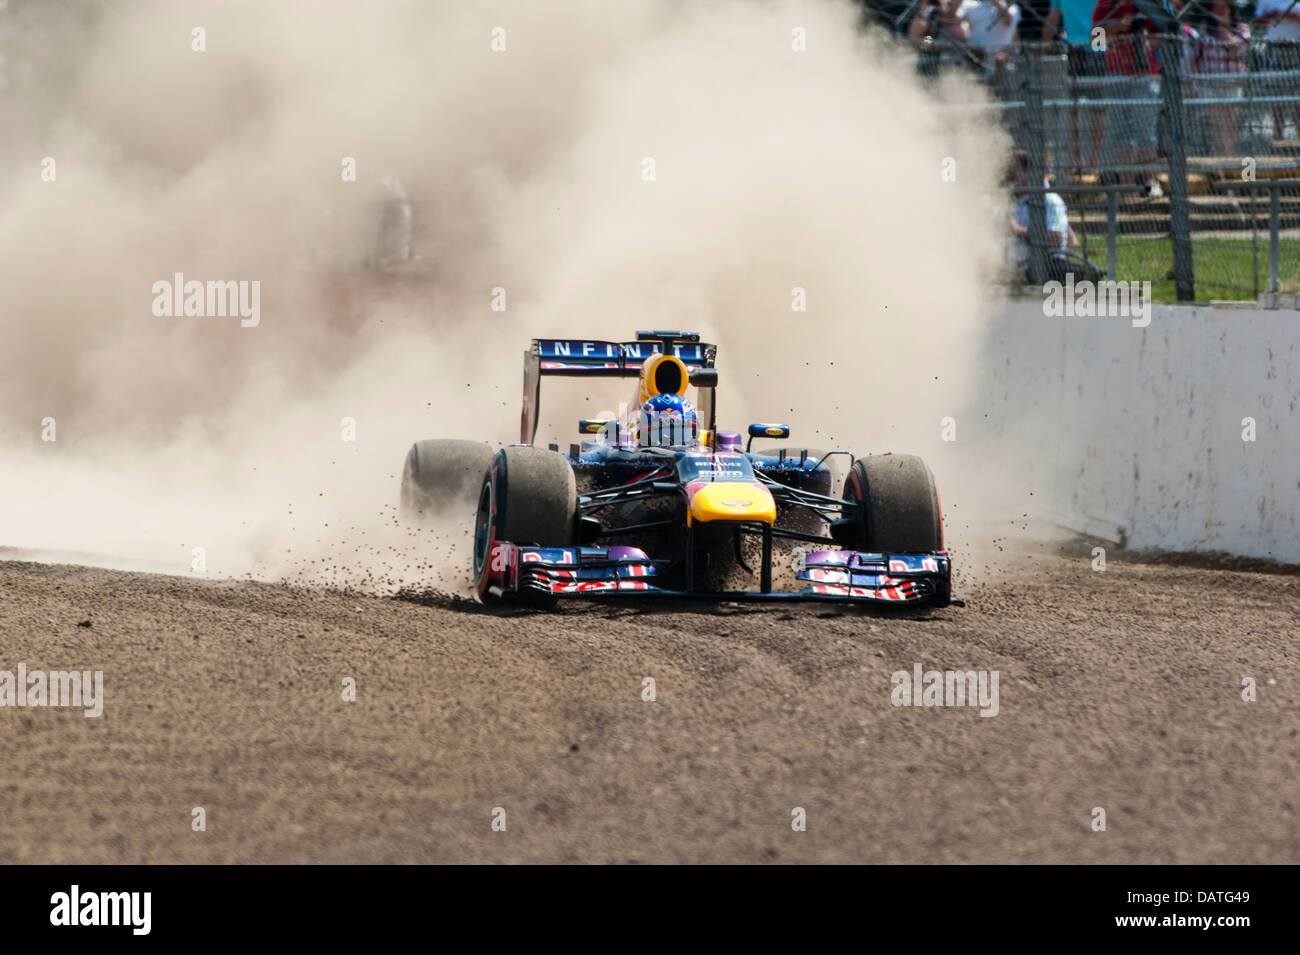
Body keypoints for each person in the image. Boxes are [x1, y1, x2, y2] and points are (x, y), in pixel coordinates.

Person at [1092, 0, 1164, 196]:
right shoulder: (1107, 3)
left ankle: (1151, 181)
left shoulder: (1149, 3)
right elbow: (1096, 41)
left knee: (1145, 131)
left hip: (1145, 74)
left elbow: (1166, 33)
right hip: (1116, 73)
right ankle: (1127, 184)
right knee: (1120, 131)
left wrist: (1147, 41)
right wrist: (1115, 28)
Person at [1004, 150, 1098, 283]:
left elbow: (1056, 239)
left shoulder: (1050, 200)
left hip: (1041, 267)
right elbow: (1072, 240)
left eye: (1015, 173)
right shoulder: (1018, 201)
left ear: (1030, 173)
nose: (1012, 179)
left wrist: (1017, 230)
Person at [1195, 0, 1250, 157]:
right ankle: (1218, 163)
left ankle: (1229, 161)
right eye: (1216, 7)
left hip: (1232, 84)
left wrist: (1224, 27)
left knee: (1229, 125)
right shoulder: (1204, 29)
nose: (1220, 10)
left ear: (1230, 8)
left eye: (1224, 7)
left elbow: (1236, 51)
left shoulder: (1241, 29)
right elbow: (1197, 56)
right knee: (1216, 126)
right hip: (1210, 85)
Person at [1255, 0, 1300, 139]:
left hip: (1297, 48)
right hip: (1274, 48)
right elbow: (1257, 24)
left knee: (1298, 98)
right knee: (1277, 96)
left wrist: (1295, 16)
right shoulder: (1265, 1)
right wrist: (1272, 15)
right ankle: (1278, 138)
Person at [957, 0, 1021, 77]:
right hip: (974, 58)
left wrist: (996, 3)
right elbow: (950, 20)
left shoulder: (1011, 8)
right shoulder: (969, 5)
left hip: (999, 64)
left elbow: (1008, 19)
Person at [909, 0, 974, 75]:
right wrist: (923, 9)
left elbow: (963, 36)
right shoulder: (931, 9)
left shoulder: (967, 7)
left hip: (953, 61)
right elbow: (913, 34)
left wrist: (947, 13)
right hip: (929, 59)